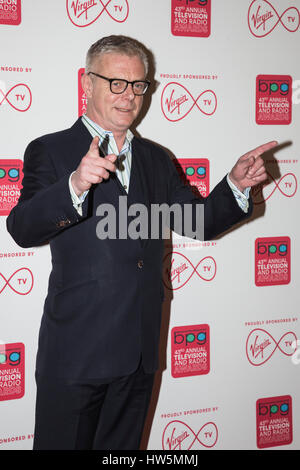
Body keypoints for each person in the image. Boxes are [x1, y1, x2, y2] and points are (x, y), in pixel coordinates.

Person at [6, 35, 277, 450]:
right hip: (77, 356)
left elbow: (196, 221)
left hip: (138, 356)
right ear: (87, 83)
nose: (129, 96)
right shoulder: (51, 150)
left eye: (138, 85)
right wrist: (75, 184)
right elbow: (22, 229)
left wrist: (235, 186)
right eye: (116, 83)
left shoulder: (155, 158)